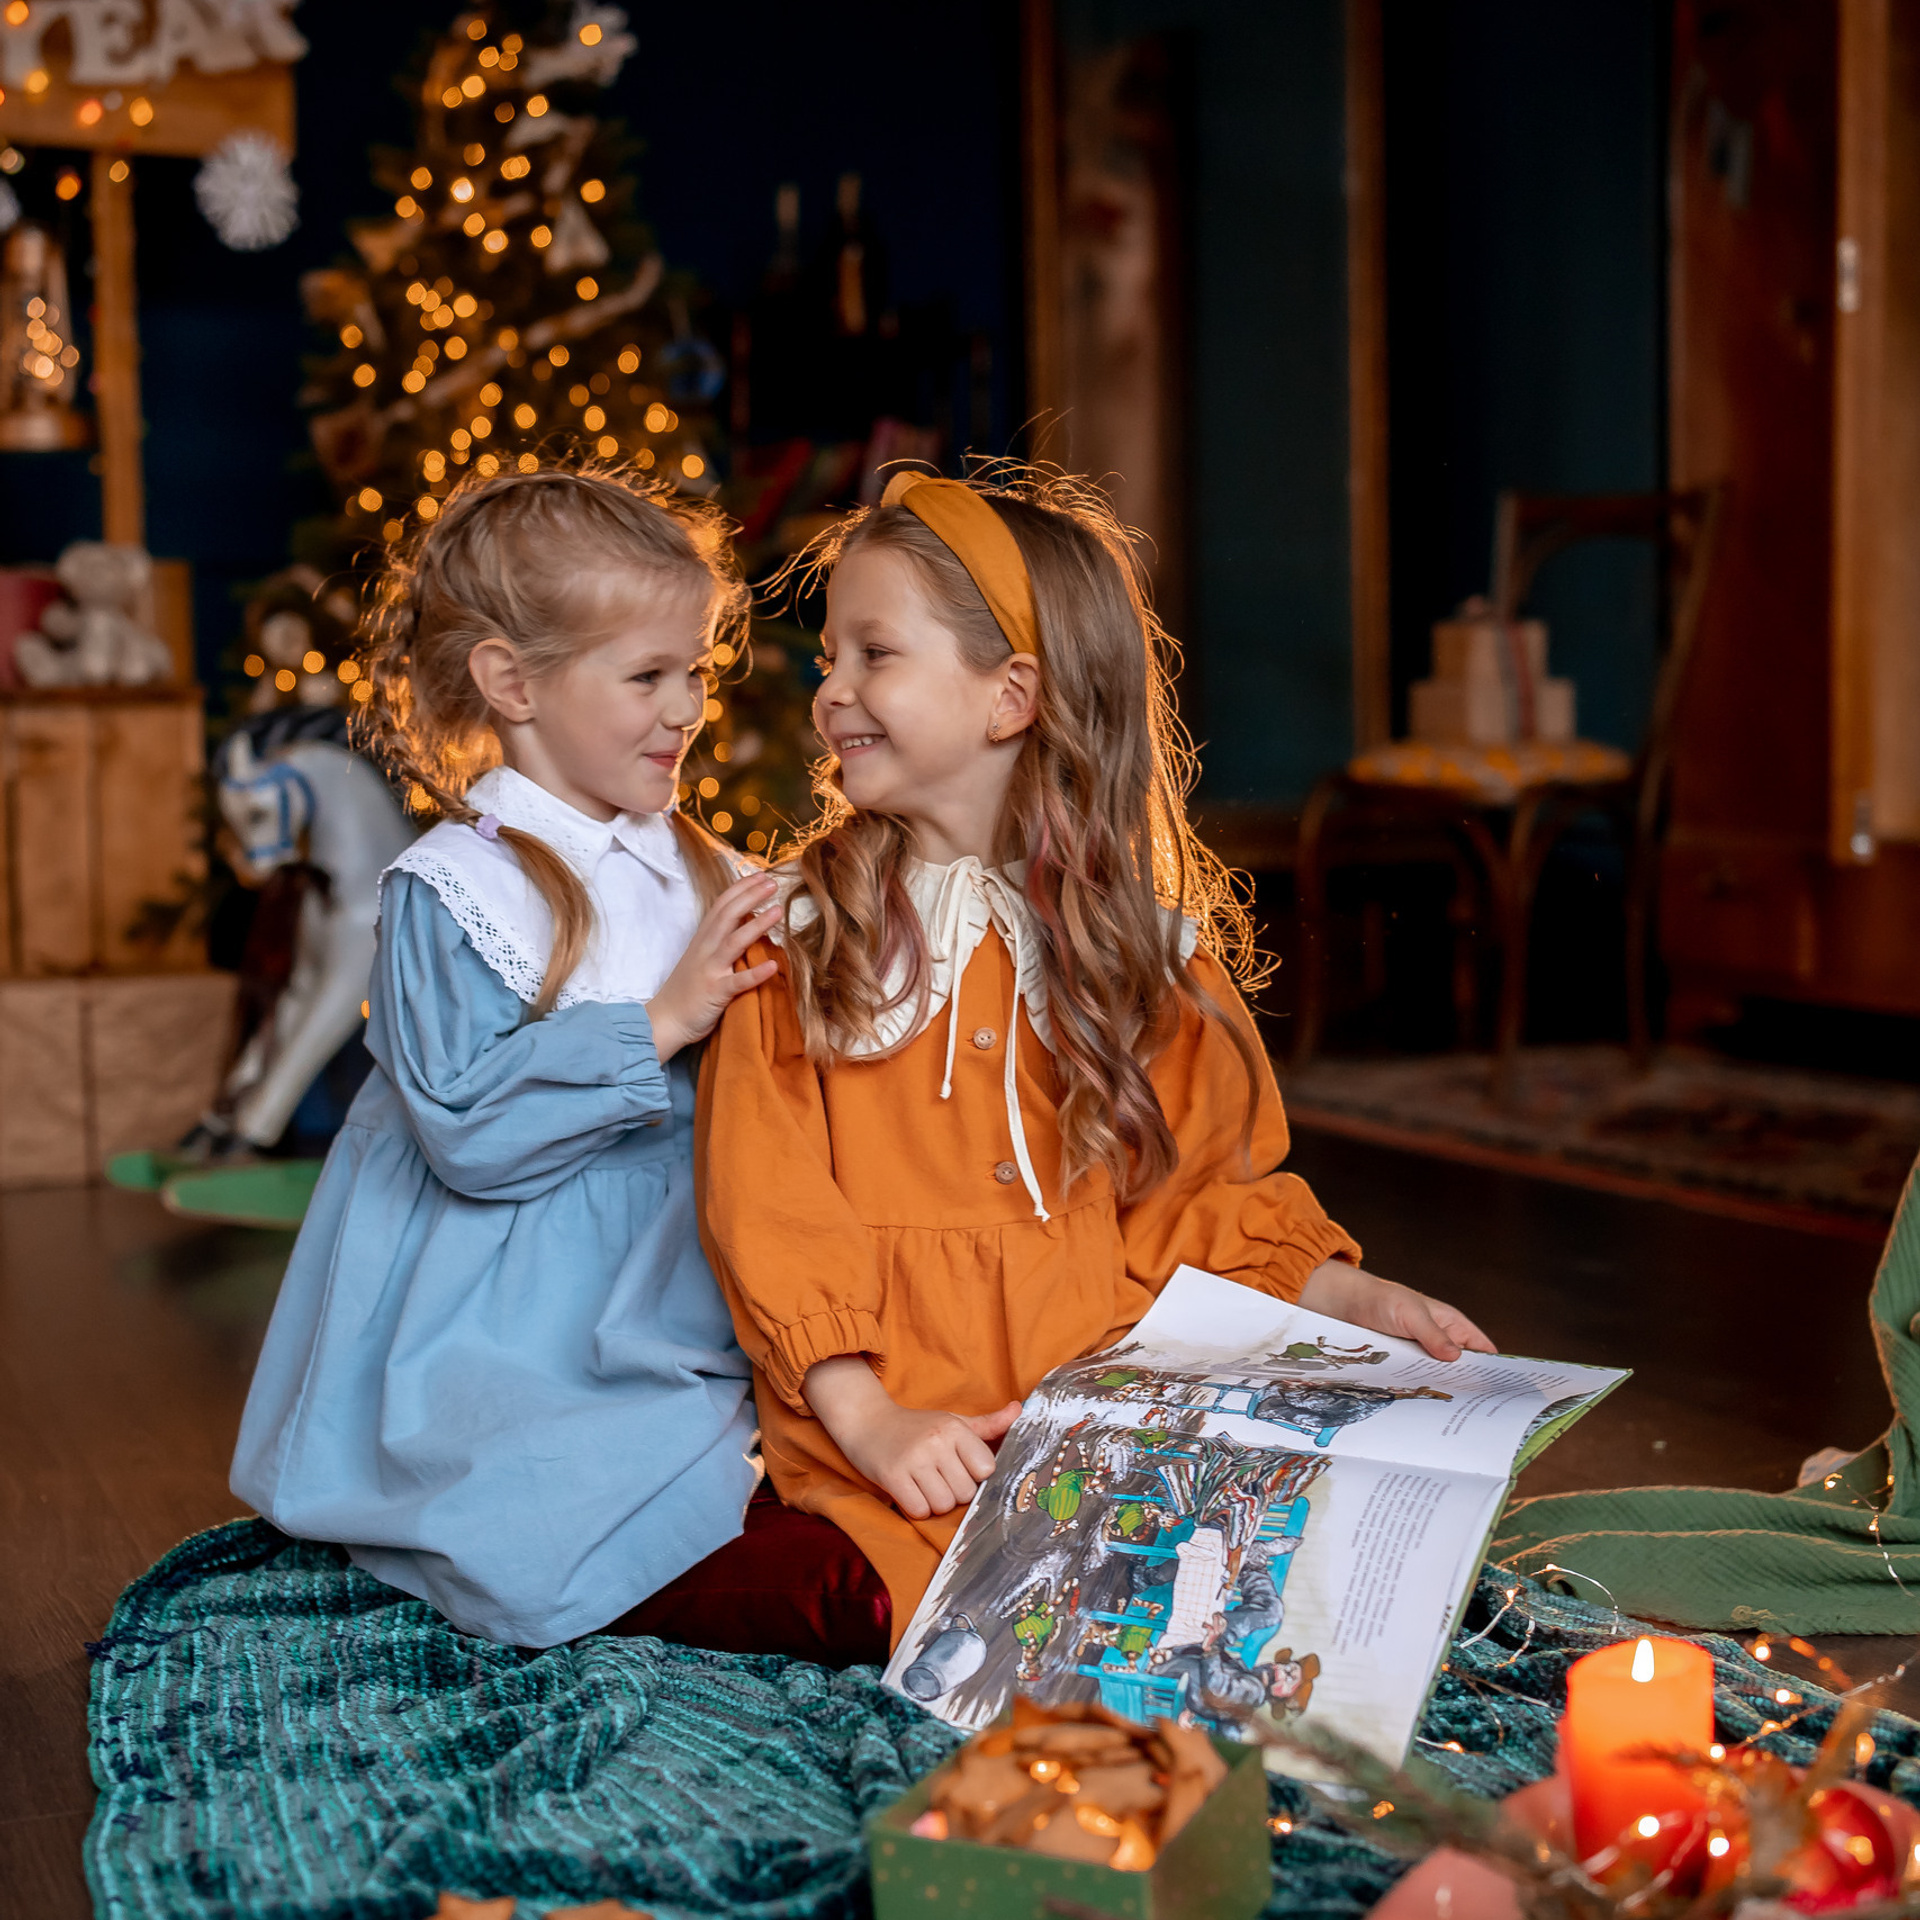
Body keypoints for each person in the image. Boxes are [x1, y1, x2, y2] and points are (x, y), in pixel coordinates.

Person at [688, 465, 1495, 1663]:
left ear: (1010, 696)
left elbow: (1203, 1208)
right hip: (884, 1430)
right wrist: (872, 1419)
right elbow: (770, 1211)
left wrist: (1351, 1300)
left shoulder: (1150, 962)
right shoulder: (801, 944)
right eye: (828, 662)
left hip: (1088, 1428)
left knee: (1297, 1582)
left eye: (873, 655)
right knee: (861, 1602)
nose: (830, 696)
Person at [230, 466, 783, 1649]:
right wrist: (663, 1020)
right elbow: (471, 1133)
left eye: (696, 672)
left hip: (680, 1281)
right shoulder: (459, 888)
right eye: (647, 677)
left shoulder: (701, 862)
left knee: (758, 1475)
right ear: (512, 682)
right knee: (543, 1546)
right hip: (512, 1304)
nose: (687, 708)